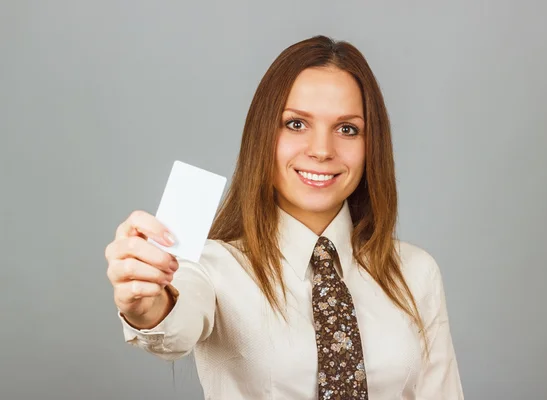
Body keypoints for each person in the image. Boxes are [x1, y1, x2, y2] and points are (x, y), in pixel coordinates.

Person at [105, 35, 464, 399]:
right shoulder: (211, 267)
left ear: (372, 145)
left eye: (347, 129)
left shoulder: (416, 273)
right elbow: (172, 321)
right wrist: (145, 302)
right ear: (262, 135)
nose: (322, 150)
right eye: (296, 124)